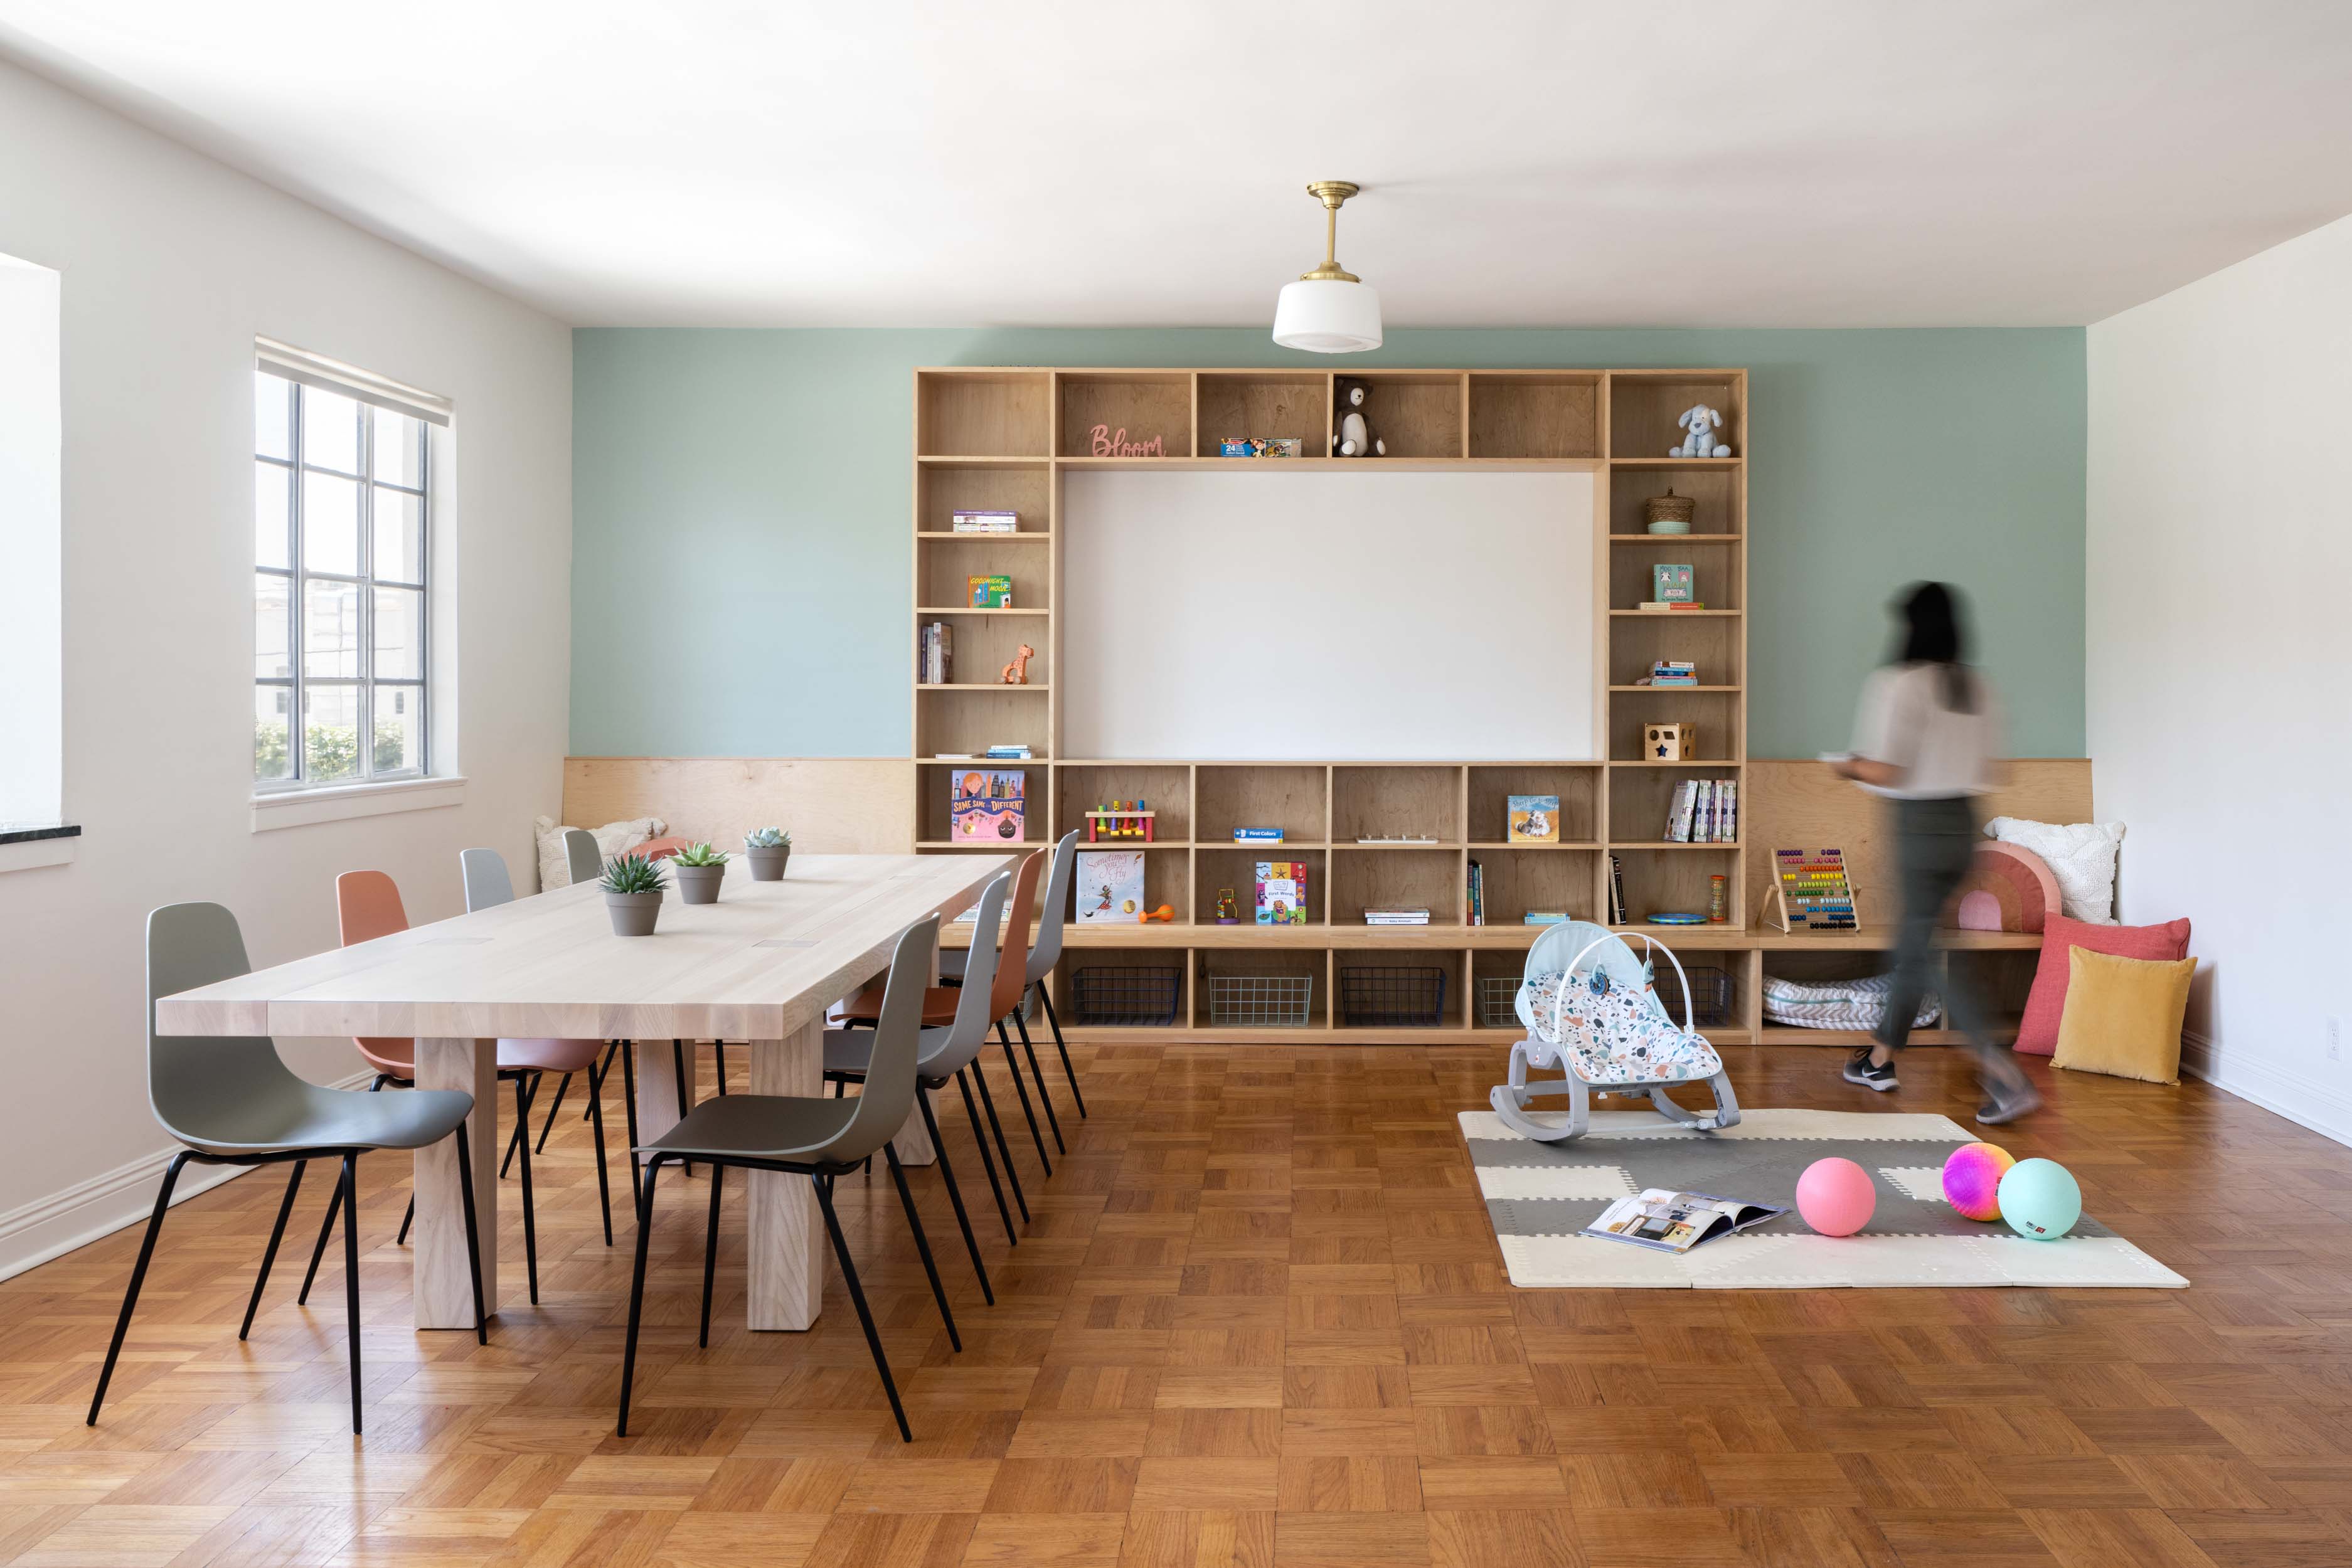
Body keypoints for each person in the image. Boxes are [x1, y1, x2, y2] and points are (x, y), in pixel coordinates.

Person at [1828, 583, 2040, 1125]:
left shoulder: (1899, 683)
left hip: (1917, 826)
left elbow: (1887, 771)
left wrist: (1847, 765)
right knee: (1917, 943)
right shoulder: (1978, 687)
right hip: (1962, 822)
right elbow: (1997, 769)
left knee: (1923, 950)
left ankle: (2003, 1073)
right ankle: (1879, 1059)